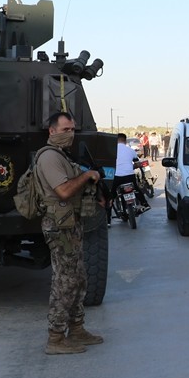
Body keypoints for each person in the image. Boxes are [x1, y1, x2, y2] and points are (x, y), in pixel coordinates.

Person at [34, 111, 105, 355]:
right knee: (65, 281)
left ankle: (76, 329)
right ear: (51, 131)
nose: (70, 134)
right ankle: (55, 337)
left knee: (78, 278)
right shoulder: (49, 158)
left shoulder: (62, 155)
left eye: (72, 129)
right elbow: (63, 191)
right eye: (65, 130)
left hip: (70, 224)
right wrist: (86, 175)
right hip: (59, 225)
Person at [111, 132, 149, 218]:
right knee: (136, 189)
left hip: (117, 177)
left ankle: (108, 220)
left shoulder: (112, 149)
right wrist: (131, 166)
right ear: (125, 141)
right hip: (129, 176)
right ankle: (145, 204)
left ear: (115, 140)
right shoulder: (130, 150)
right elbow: (137, 164)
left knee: (111, 195)